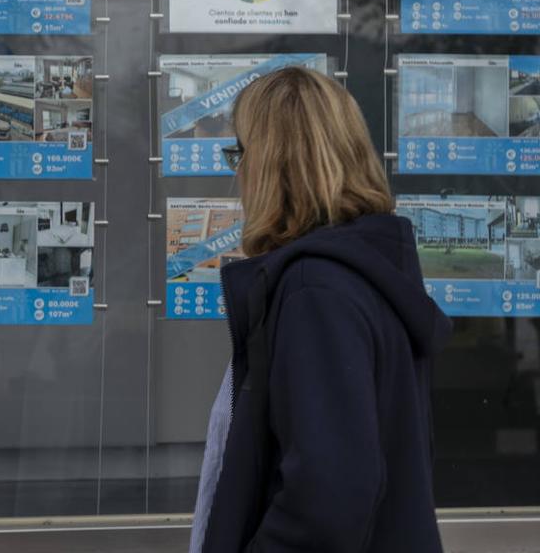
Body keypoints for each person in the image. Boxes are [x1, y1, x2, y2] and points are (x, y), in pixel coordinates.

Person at [191, 67, 451, 553]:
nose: (238, 174)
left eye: (239, 155)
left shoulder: (317, 291)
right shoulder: (365, 272)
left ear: (271, 166)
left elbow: (328, 498)